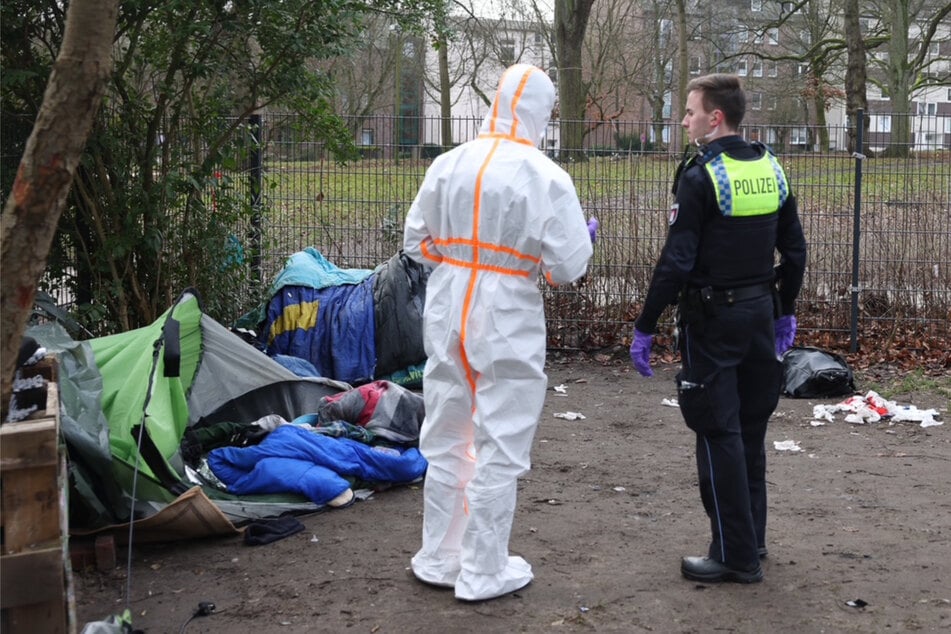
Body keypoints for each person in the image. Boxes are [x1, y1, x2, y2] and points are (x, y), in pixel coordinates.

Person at [403, 63, 595, 601]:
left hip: (448, 304)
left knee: (446, 432)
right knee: (501, 438)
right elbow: (569, 266)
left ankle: (439, 556)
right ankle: (483, 569)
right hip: (507, 311)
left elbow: (417, 243)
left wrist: (462, 257)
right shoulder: (545, 175)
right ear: (541, 111)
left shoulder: (448, 162)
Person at [629, 74, 807, 583]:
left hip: (712, 322)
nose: (684, 120)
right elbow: (794, 250)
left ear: (715, 118)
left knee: (717, 431)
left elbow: (677, 261)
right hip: (760, 316)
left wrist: (646, 325)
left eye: (689, 112)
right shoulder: (772, 168)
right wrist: (785, 309)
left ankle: (734, 555)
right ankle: (753, 536)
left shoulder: (699, 175)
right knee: (750, 430)